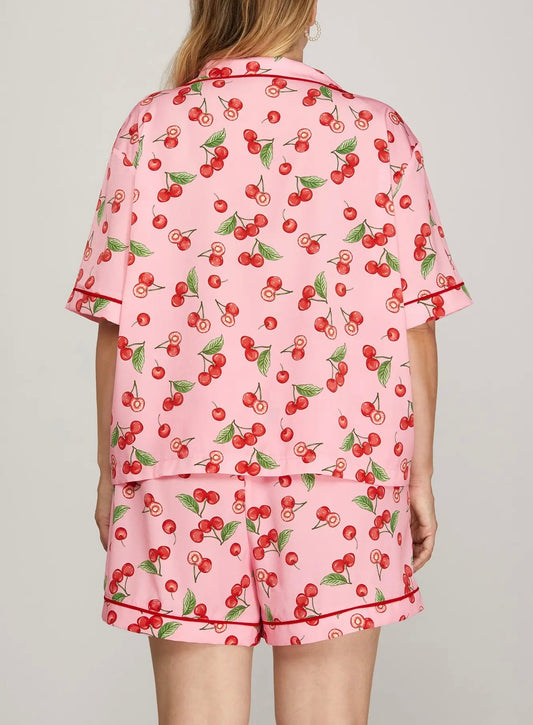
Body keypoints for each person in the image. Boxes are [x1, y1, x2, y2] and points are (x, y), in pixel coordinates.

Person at [64, 1, 474, 722]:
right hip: (341, 468)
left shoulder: (153, 127)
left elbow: (115, 317)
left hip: (179, 467)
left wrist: (109, 469)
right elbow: (415, 324)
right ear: (305, 9)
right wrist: (419, 474)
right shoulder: (374, 132)